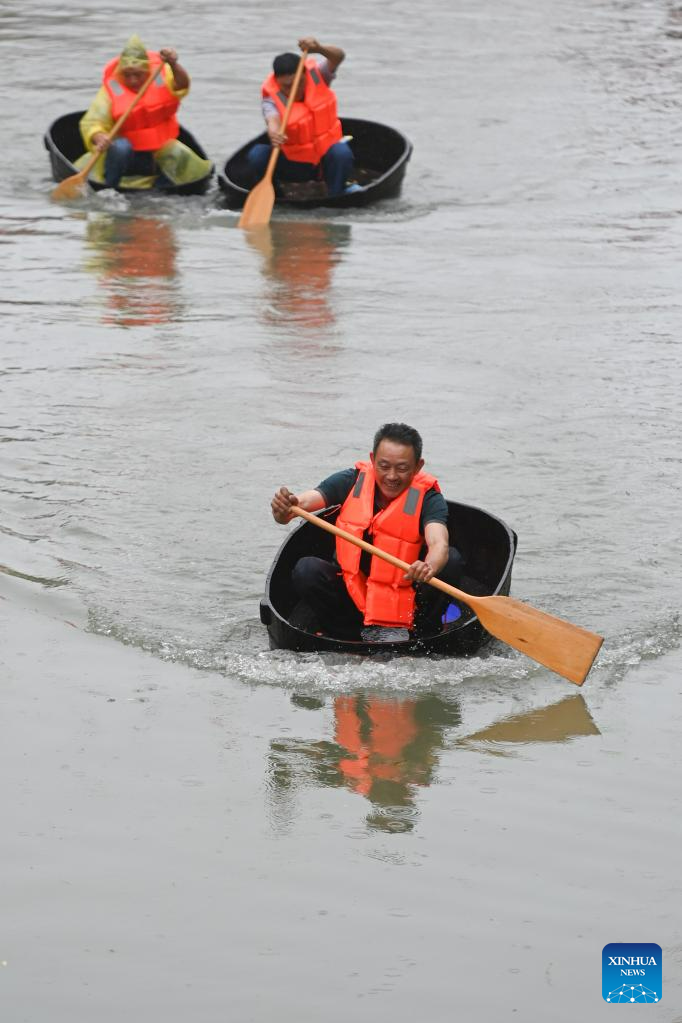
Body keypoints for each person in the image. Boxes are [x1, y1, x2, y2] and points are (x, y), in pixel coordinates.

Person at [270, 423, 465, 642]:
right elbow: (302, 503)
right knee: (307, 569)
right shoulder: (350, 480)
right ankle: (346, 636)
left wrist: (428, 566)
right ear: (373, 460)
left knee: (451, 561)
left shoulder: (429, 498)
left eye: (402, 468)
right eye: (384, 466)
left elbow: (439, 542)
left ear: (418, 467)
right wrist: (285, 509)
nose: (391, 476)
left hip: (407, 601)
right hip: (353, 599)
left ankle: (424, 635)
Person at [78, 34, 213, 190]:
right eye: (127, 75)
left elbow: (182, 84)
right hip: (125, 157)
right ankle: (110, 188)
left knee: (177, 152)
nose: (133, 80)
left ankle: (162, 187)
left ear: (147, 71)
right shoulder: (110, 91)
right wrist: (99, 136)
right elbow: (92, 122)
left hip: (156, 154)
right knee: (121, 147)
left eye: (138, 75)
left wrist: (174, 64)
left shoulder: (161, 77)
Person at [245, 36, 361, 198]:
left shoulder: (318, 75)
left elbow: (338, 56)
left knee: (341, 151)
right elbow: (272, 120)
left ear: (305, 74)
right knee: (257, 154)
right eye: (286, 86)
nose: (293, 90)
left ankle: (336, 194)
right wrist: (275, 133)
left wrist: (320, 48)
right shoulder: (271, 97)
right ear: (277, 82)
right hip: (293, 164)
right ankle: (276, 196)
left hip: (323, 162)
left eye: (298, 83)